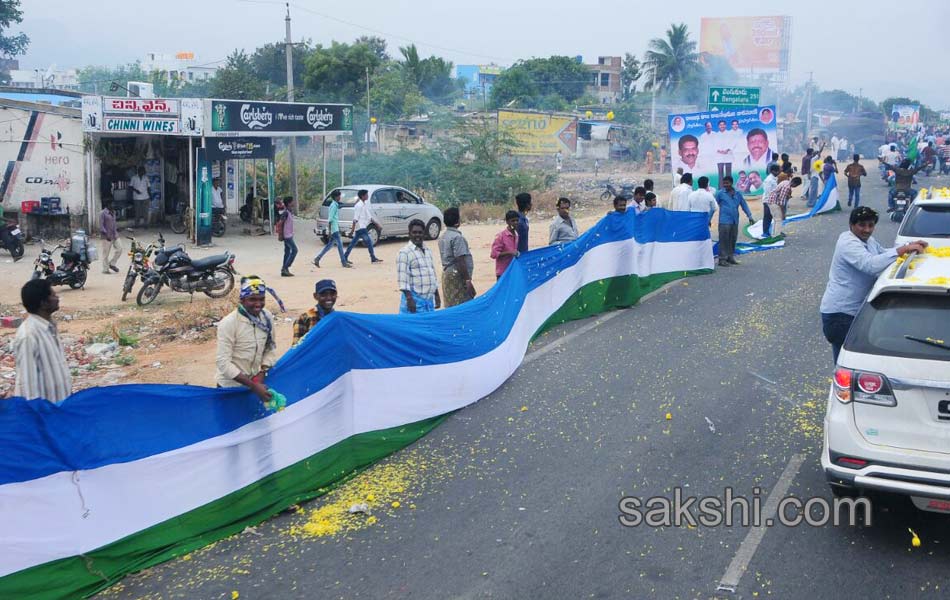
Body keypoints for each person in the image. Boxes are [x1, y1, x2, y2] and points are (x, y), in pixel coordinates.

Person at [819, 207, 929, 363]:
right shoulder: (848, 242)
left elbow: (882, 253)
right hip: (840, 314)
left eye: (871, 225)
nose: (867, 230)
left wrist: (909, 246)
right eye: (862, 225)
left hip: (854, 312)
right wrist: (903, 249)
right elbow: (870, 265)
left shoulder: (868, 240)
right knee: (846, 363)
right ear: (851, 225)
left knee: (855, 362)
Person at [215, 275, 285, 402]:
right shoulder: (229, 323)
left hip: (256, 384)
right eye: (252, 299)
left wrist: (262, 373)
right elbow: (223, 363)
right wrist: (253, 386)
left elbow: (270, 348)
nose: (258, 304)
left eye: (261, 299)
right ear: (242, 299)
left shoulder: (267, 317)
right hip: (230, 388)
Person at [13, 279, 72, 402]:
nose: (57, 298)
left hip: (59, 407)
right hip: (44, 414)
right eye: (53, 295)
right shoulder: (29, 336)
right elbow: (28, 385)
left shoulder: (50, 327)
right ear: (43, 303)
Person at [397, 219, 441, 313]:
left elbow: (432, 274)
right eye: (414, 232)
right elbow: (403, 280)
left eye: (420, 232)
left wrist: (436, 295)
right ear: (409, 234)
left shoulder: (428, 250)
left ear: (424, 233)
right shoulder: (405, 253)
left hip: (428, 302)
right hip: (414, 302)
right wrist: (409, 299)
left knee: (428, 327)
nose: (417, 235)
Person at [438, 207, 476, 307]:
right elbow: (460, 260)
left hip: (447, 274)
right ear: (457, 221)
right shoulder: (457, 238)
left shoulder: (443, 237)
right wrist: (467, 280)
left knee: (450, 303)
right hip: (457, 276)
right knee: (461, 303)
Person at [714, 175, 755, 267]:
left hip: (734, 221)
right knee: (724, 240)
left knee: (732, 239)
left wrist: (750, 216)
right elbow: (713, 207)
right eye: (724, 183)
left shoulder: (738, 193)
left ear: (731, 183)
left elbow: (744, 205)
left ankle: (730, 257)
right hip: (724, 221)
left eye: (727, 183)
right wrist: (708, 219)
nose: (725, 185)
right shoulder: (720, 193)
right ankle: (722, 259)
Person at [314, 189, 352, 268]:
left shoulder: (335, 204)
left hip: (335, 229)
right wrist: (330, 231)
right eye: (339, 196)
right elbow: (330, 219)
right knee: (340, 246)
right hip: (334, 230)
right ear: (335, 197)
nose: (340, 197)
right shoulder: (333, 206)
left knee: (329, 246)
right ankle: (343, 262)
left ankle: (318, 258)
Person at [343, 189, 383, 265]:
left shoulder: (363, 204)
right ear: (362, 196)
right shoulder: (359, 206)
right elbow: (355, 219)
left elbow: (369, 217)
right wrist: (352, 231)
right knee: (369, 242)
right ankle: (373, 258)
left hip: (361, 227)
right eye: (366, 195)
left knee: (353, 243)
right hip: (361, 228)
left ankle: (345, 257)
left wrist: (377, 224)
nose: (367, 196)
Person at [292, 279, 337, 346]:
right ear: (315, 296)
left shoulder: (338, 319)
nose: (329, 297)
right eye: (323, 294)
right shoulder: (304, 319)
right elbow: (296, 348)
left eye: (332, 294)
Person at [491, 210, 520, 280]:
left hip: (513, 271)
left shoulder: (516, 235)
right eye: (513, 221)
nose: (515, 223)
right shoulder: (501, 236)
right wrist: (510, 252)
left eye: (517, 220)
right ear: (507, 222)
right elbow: (493, 254)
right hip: (502, 272)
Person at [276, 196, 297, 277]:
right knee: (295, 250)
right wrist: (280, 235)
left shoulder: (289, 212)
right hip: (287, 236)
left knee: (287, 252)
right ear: (289, 203)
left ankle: (285, 270)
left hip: (289, 234)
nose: (294, 203)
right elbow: (280, 223)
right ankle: (285, 267)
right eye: (292, 201)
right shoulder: (286, 213)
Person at [99, 201, 121, 275]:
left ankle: (112, 263)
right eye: (112, 203)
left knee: (119, 249)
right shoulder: (102, 213)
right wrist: (106, 235)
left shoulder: (113, 212)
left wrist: (116, 230)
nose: (113, 205)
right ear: (107, 204)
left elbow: (114, 223)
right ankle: (105, 269)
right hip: (106, 237)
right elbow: (101, 226)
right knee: (106, 254)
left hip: (114, 235)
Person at [761, 164, 780, 237]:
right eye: (777, 171)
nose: (778, 172)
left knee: (773, 217)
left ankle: (773, 231)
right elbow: (768, 192)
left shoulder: (775, 178)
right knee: (767, 217)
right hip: (768, 201)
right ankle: (765, 232)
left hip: (773, 201)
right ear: (772, 171)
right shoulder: (769, 180)